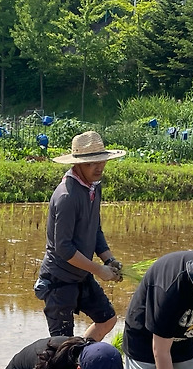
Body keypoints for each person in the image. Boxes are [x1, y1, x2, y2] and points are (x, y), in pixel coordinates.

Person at [35, 131, 125, 339]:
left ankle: (81, 360)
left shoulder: (93, 187)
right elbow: (64, 249)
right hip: (59, 280)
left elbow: (95, 229)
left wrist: (109, 260)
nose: (99, 167)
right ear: (78, 164)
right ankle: (68, 362)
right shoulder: (67, 196)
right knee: (61, 343)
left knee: (107, 320)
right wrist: (99, 270)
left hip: (81, 274)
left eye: (101, 161)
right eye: (91, 163)